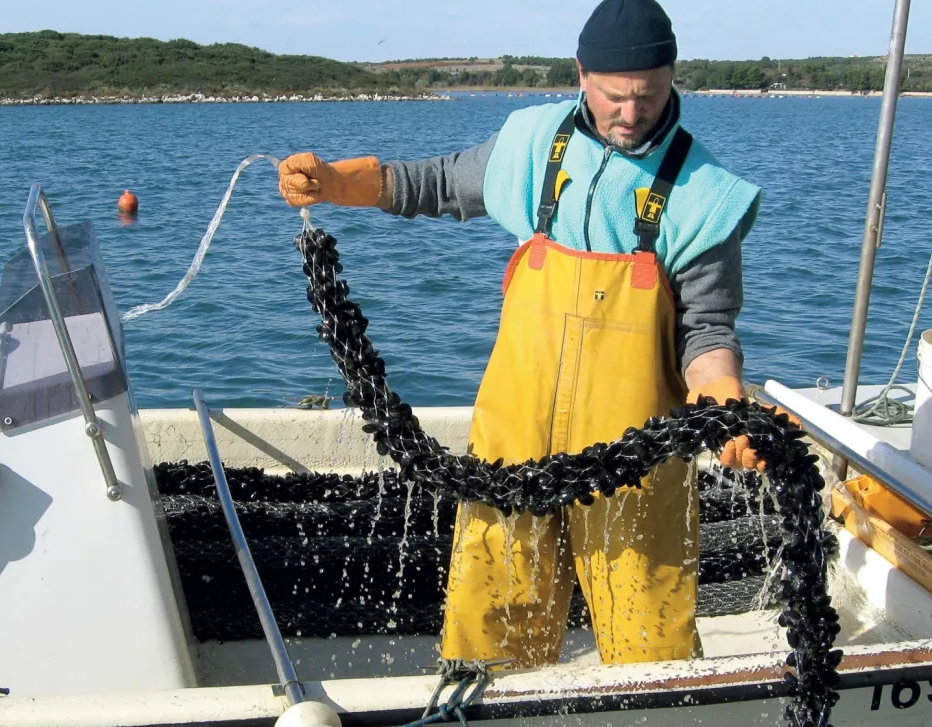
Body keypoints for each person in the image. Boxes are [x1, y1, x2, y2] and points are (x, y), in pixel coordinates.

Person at [278, 0, 772, 668]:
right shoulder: (530, 141)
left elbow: (706, 330)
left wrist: (723, 400)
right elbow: (431, 183)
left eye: (647, 97)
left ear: (670, 76)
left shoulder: (703, 192)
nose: (629, 114)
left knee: (648, 629)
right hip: (513, 439)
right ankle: (487, 723)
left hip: (635, 457)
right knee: (492, 618)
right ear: (580, 74)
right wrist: (337, 182)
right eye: (612, 97)